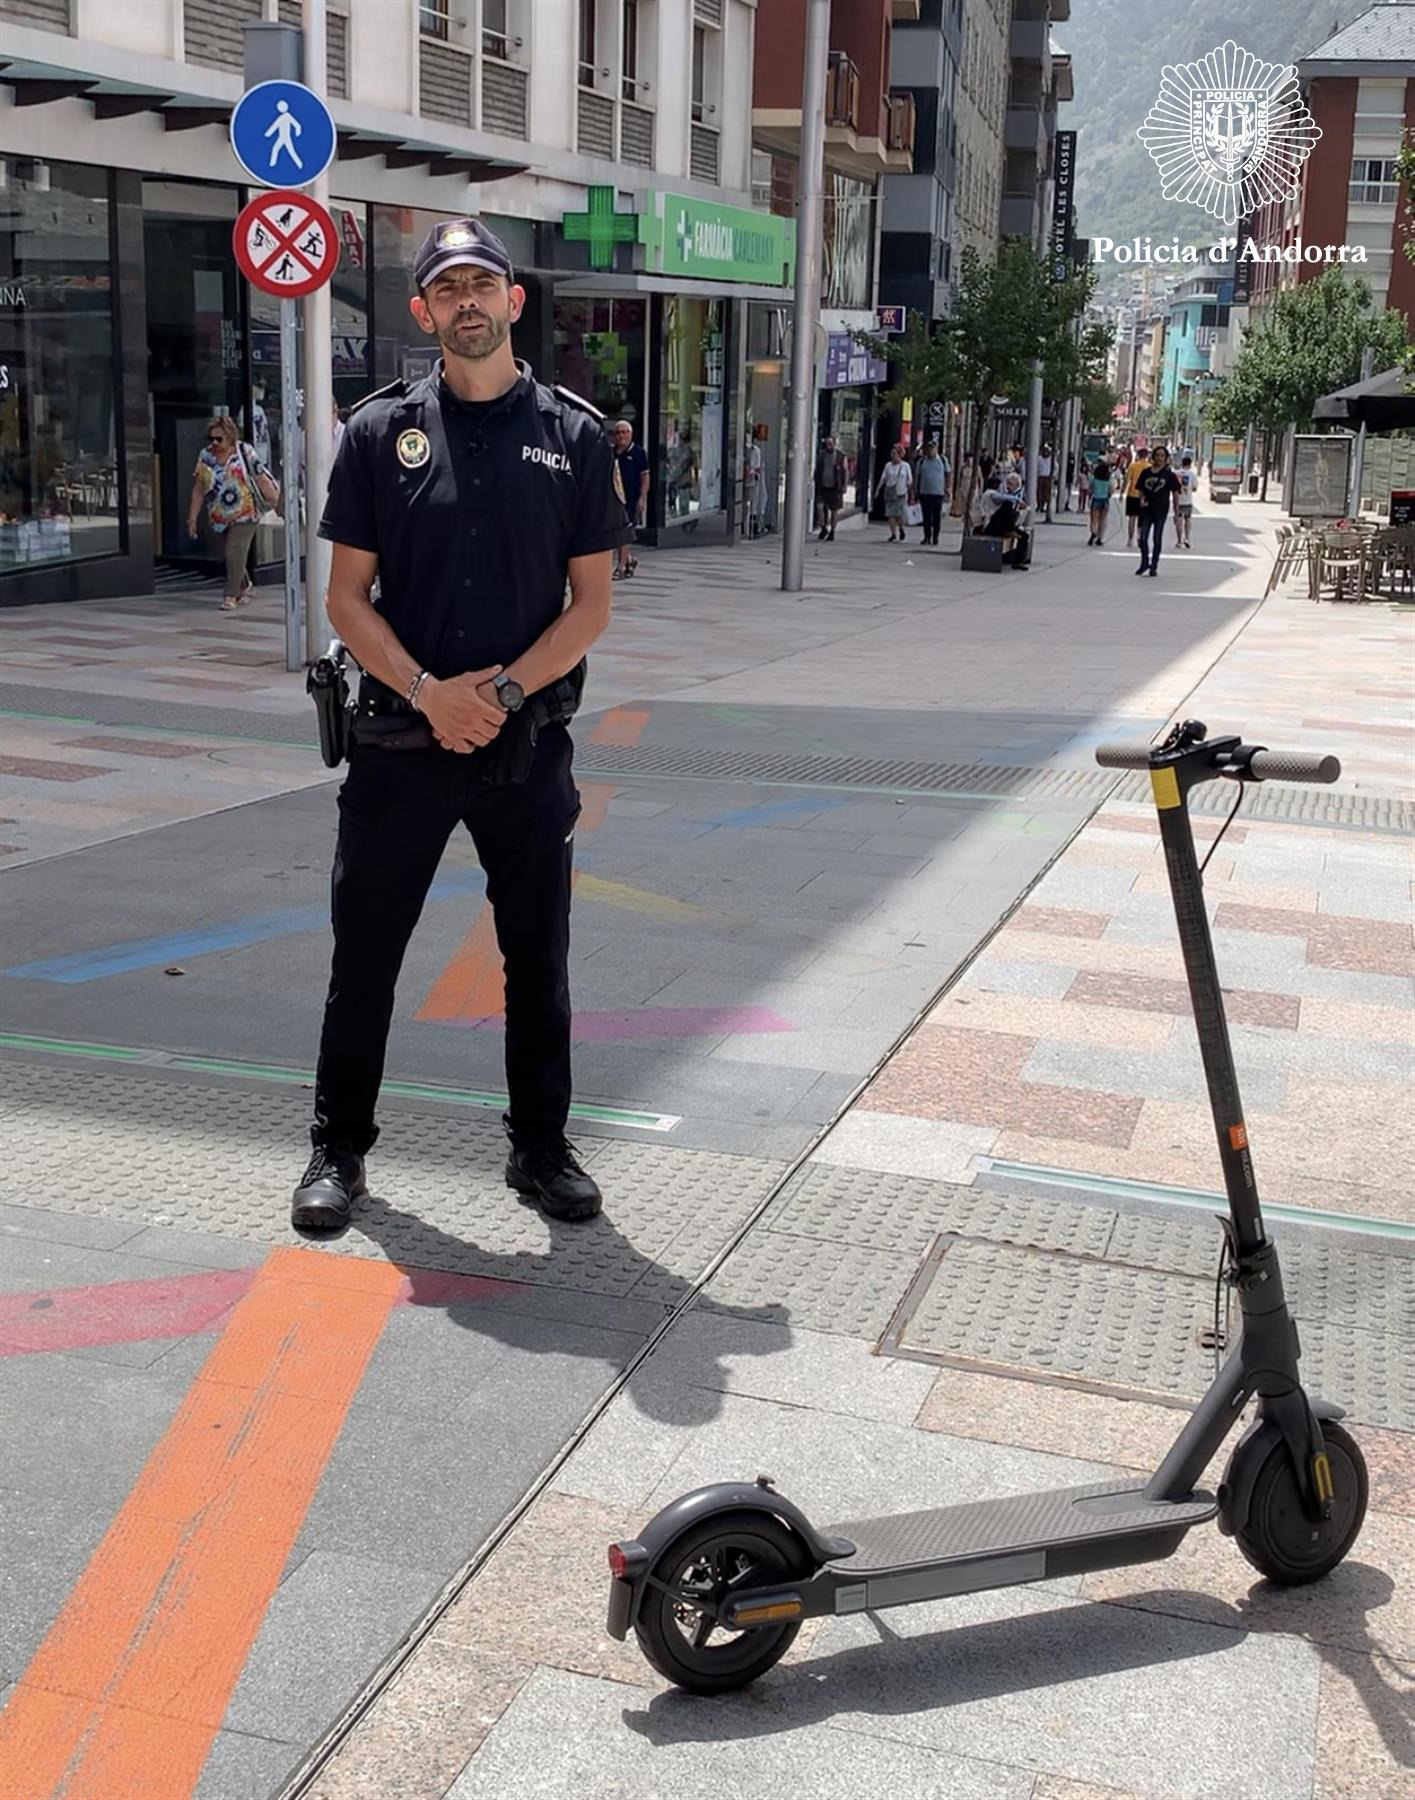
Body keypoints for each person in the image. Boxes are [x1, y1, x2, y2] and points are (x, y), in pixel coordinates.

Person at [290, 216, 634, 1234]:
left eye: (484, 284)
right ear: (423, 310)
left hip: (526, 746)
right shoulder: (376, 433)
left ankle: (540, 1150)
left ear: (514, 301)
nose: (468, 302)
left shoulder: (573, 435)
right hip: (401, 742)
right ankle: (335, 1152)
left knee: (538, 955)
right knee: (366, 955)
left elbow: (591, 607)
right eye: (449, 289)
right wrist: (431, 689)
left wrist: (503, 697)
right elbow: (346, 598)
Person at [185, 416, 274, 611]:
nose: (214, 443)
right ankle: (244, 583)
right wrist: (192, 518)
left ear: (230, 436)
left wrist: (276, 502)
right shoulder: (206, 456)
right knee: (227, 554)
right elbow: (198, 489)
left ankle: (230, 595)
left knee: (235, 551)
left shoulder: (245, 452)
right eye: (211, 439)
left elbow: (260, 477)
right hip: (217, 516)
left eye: (219, 439)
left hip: (245, 512)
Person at [610, 418, 649, 578]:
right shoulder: (611, 453)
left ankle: (620, 566)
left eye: (624, 432)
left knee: (624, 532)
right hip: (614, 497)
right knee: (616, 532)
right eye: (618, 433)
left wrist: (642, 498)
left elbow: (645, 477)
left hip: (631, 498)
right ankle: (629, 560)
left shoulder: (639, 453)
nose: (621, 436)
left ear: (630, 434)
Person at [1135, 443, 1180, 577]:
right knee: (1143, 538)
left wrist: (1176, 513)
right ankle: (1144, 563)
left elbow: (1176, 493)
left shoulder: (1169, 475)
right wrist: (1141, 499)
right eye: (1157, 455)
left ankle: (1154, 565)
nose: (1159, 458)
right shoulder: (1146, 472)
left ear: (1166, 458)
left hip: (1161, 510)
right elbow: (1141, 489)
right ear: (1153, 457)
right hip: (1146, 510)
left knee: (1157, 538)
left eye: (1162, 456)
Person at [976, 470, 1031, 567]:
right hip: (996, 527)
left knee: (1025, 535)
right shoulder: (994, 494)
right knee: (1022, 535)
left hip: (1003, 525)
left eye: (1011, 484)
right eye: (1007, 484)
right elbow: (1002, 500)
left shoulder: (1015, 495)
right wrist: (1017, 501)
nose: (1008, 487)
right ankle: (1017, 560)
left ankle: (1018, 561)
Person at [875, 443, 914, 543]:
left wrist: (911, 494)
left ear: (900, 454)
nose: (893, 455)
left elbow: (909, 481)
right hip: (889, 493)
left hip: (901, 493)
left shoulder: (905, 466)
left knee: (899, 514)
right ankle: (893, 534)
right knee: (890, 514)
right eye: (892, 453)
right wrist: (878, 489)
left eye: (895, 453)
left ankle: (901, 528)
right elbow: (883, 478)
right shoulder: (888, 466)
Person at [915, 440, 950, 545]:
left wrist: (948, 487)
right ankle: (927, 537)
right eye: (929, 448)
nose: (930, 451)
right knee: (926, 517)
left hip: (938, 493)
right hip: (925, 493)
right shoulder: (922, 461)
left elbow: (948, 474)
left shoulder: (943, 460)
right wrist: (915, 490)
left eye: (932, 448)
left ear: (936, 449)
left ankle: (935, 537)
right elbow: (917, 476)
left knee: (936, 517)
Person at [813, 436, 848, 540]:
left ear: (834, 444)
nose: (829, 446)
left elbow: (845, 471)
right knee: (819, 507)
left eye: (831, 444)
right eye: (827, 444)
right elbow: (817, 469)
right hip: (822, 486)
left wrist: (845, 485)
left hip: (835, 488)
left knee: (834, 511)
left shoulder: (840, 456)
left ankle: (832, 531)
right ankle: (823, 527)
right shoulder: (821, 455)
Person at [1123, 446, 1150, 548]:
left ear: (1138, 455)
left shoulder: (1133, 466)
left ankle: (1130, 539)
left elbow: (1127, 480)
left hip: (1132, 494)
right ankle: (1140, 537)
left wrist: (1122, 492)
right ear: (1147, 456)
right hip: (1145, 496)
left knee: (1132, 517)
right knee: (1142, 518)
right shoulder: (1149, 467)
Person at [1176, 452, 1198, 547]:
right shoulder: (1192, 475)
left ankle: (1179, 540)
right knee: (1188, 520)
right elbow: (1194, 488)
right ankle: (1187, 538)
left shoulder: (1176, 473)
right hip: (1188, 501)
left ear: (1182, 463)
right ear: (1190, 464)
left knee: (1179, 521)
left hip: (1178, 501)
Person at [1087, 459, 1112, 545]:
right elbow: (1111, 491)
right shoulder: (1108, 481)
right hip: (1105, 501)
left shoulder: (1094, 480)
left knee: (1094, 519)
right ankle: (1100, 538)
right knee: (1103, 520)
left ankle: (1094, 532)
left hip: (1096, 500)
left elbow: (1090, 490)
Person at [1036, 441, 1054, 512]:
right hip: (1040, 477)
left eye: (1047, 451)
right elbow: (1036, 466)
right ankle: (1039, 505)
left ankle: (1047, 506)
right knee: (1039, 492)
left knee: (1046, 493)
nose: (1045, 453)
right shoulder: (1039, 458)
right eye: (1044, 451)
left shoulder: (1051, 459)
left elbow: (1055, 467)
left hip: (1047, 477)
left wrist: (1053, 475)